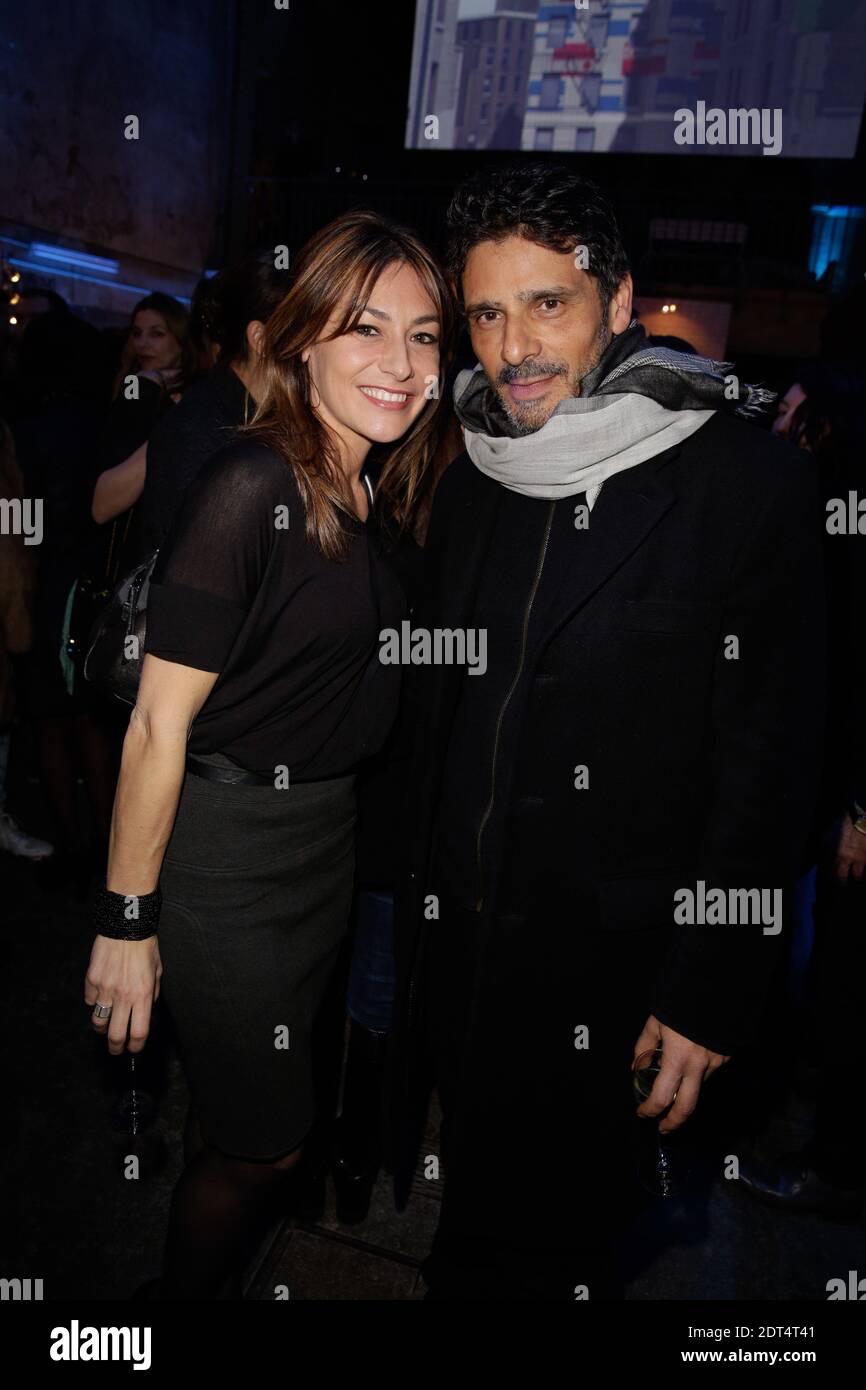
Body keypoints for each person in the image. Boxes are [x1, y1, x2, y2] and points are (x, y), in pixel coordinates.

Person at [389, 162, 825, 1301]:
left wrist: (708, 988)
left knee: (563, 1243)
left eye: (548, 303)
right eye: (486, 311)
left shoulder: (742, 483)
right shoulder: (475, 465)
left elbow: (770, 764)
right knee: (477, 1212)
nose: (512, 346)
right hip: (467, 946)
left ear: (617, 300)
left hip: (614, 965)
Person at [82, 210, 454, 1300]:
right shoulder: (254, 484)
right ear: (298, 342)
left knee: (253, 1109)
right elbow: (156, 725)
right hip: (226, 860)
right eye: (364, 330)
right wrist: (125, 921)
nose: (399, 363)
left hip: (317, 843)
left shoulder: (367, 479)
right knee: (264, 1147)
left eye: (425, 335)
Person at [739, 363, 866, 1216]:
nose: (778, 422)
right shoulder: (813, 502)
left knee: (844, 984)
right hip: (810, 781)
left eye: (791, 411)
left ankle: (840, 1167)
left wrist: (861, 808)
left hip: (843, 798)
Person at [134, 252, 289, 559]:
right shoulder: (198, 429)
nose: (315, 343)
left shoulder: (269, 414)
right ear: (260, 338)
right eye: (301, 327)